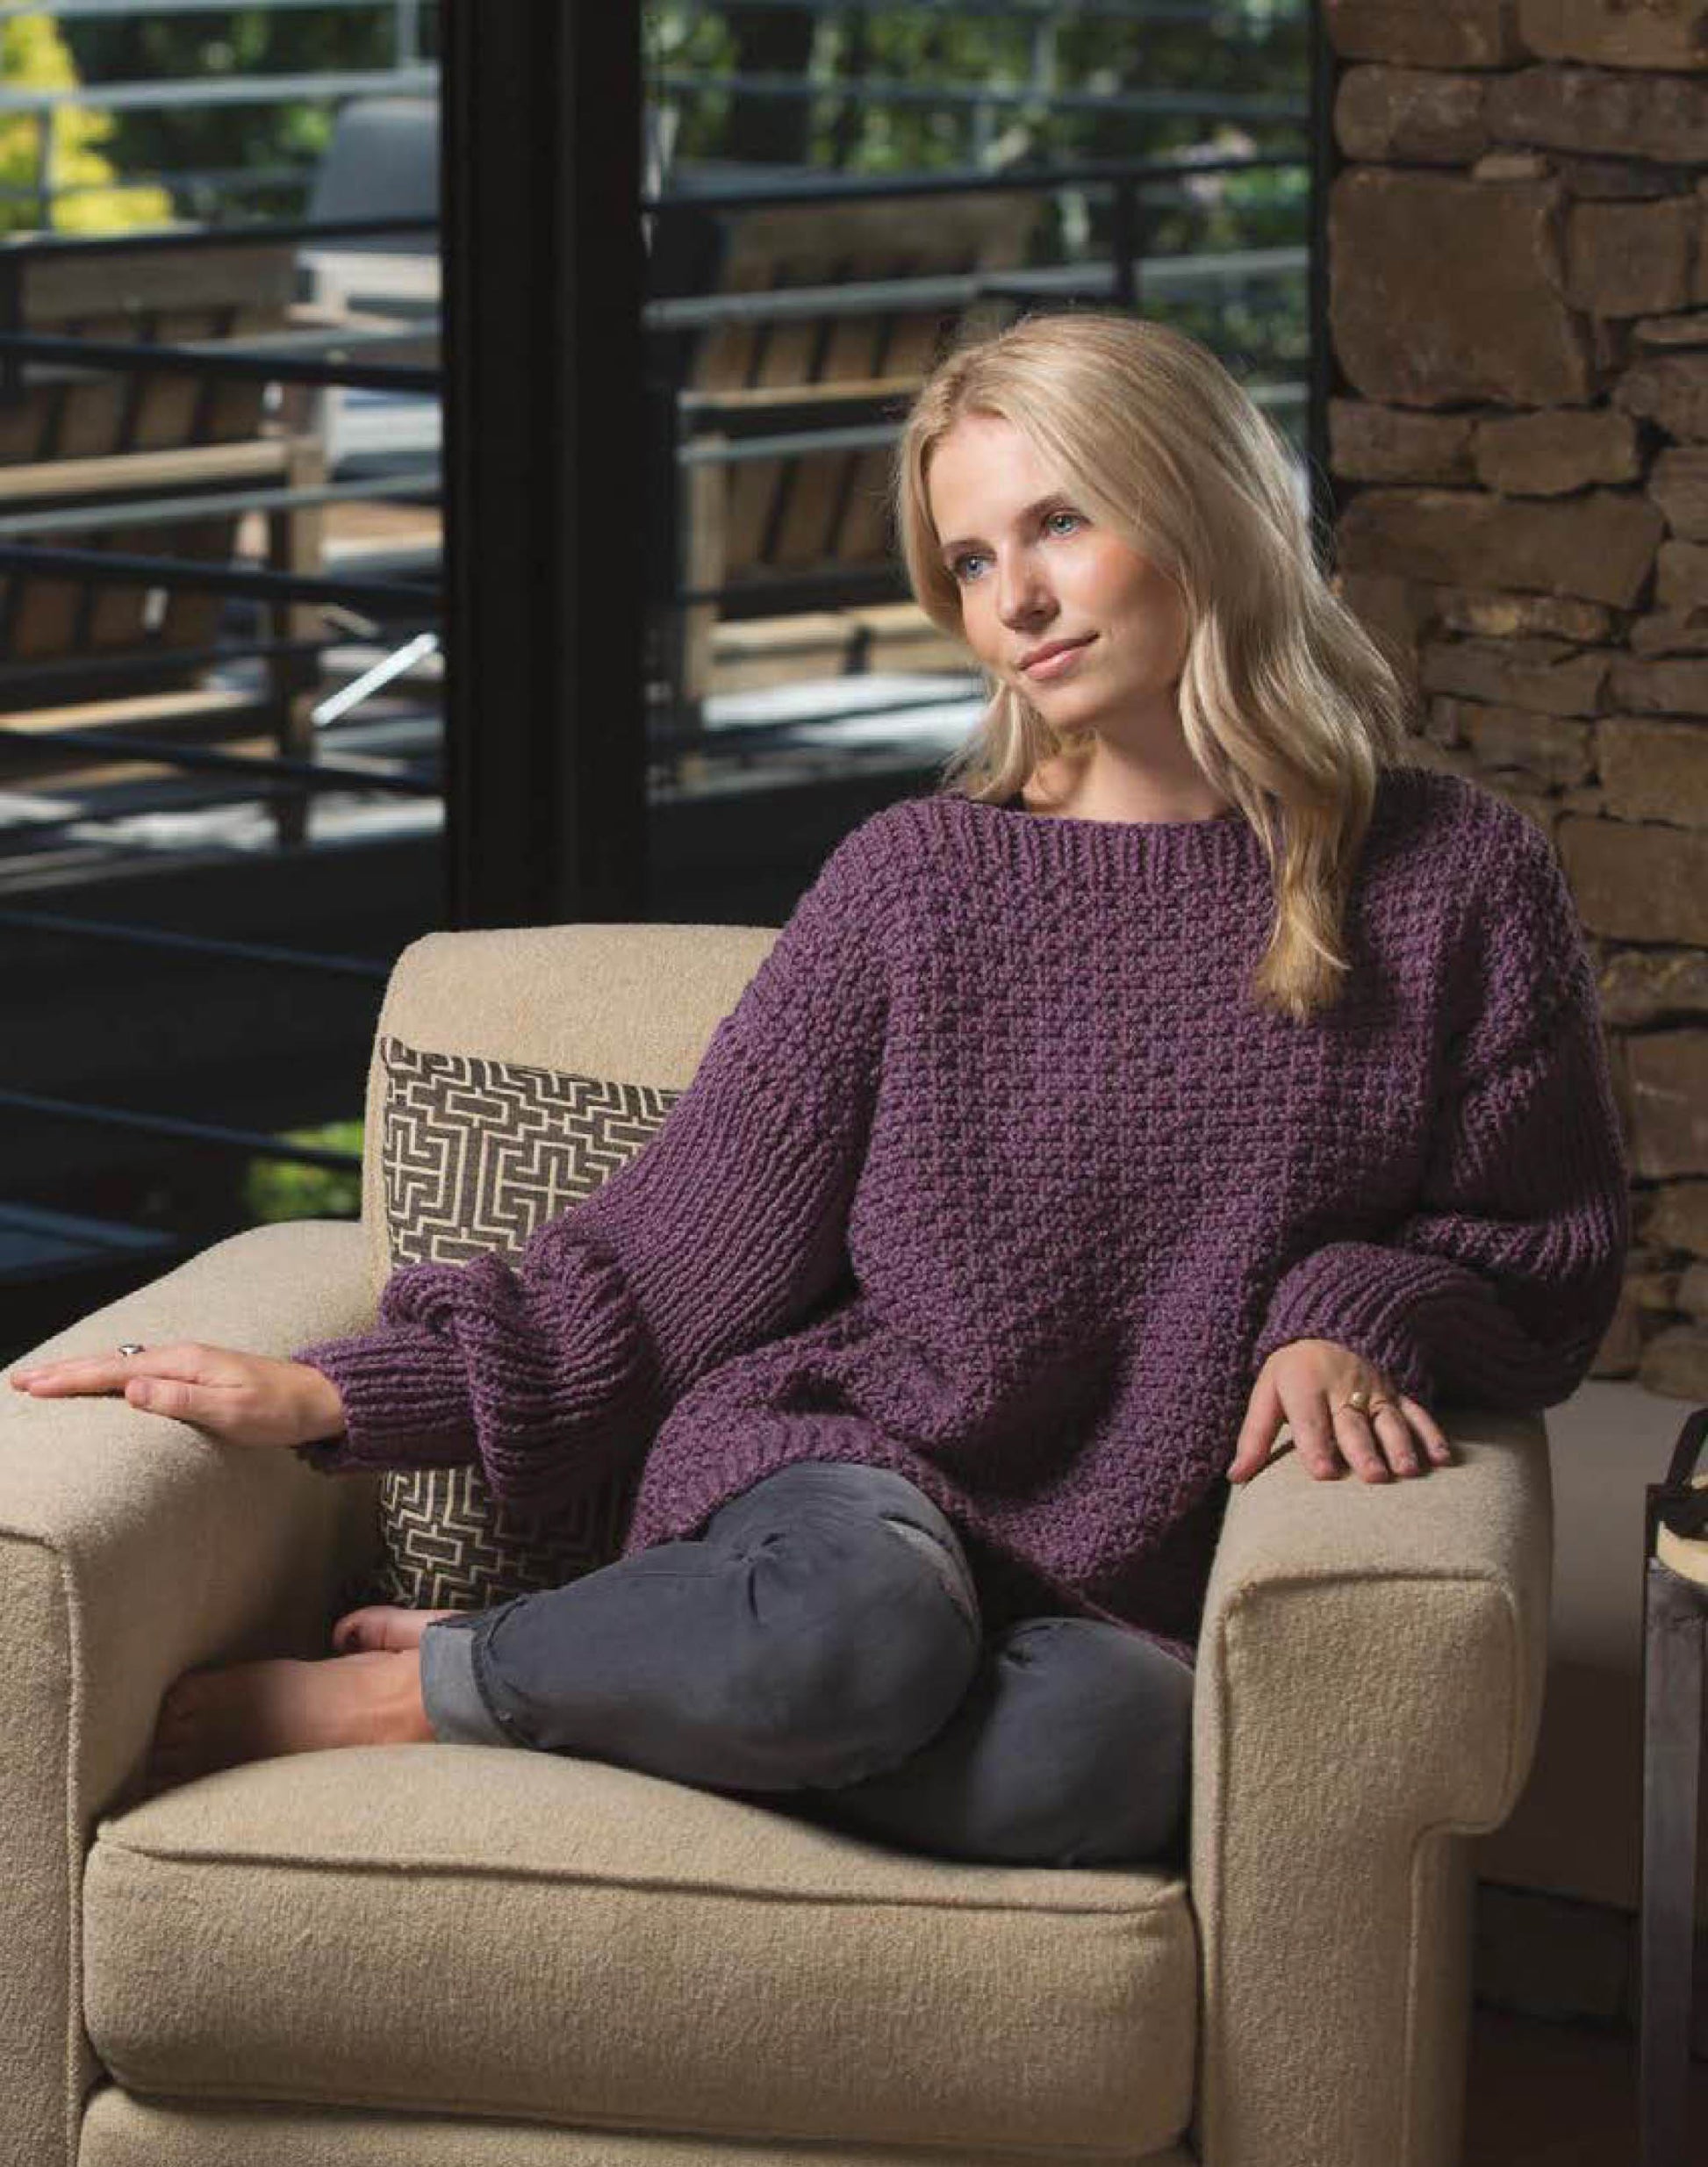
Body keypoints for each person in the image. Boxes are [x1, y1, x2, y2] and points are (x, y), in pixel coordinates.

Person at [8, 311, 1630, 1869]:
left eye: (1058, 522)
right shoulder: (920, 883)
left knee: (1124, 1758)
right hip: (851, 1492)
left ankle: (602, 1675)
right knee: (859, 1639)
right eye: (973, 562)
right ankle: (434, 1690)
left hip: (1126, 1579)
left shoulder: (1449, 877)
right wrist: (339, 1395)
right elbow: (668, 1256)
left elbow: (1541, 1255)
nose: (1017, 600)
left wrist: (1358, 1303)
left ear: (1198, 499)